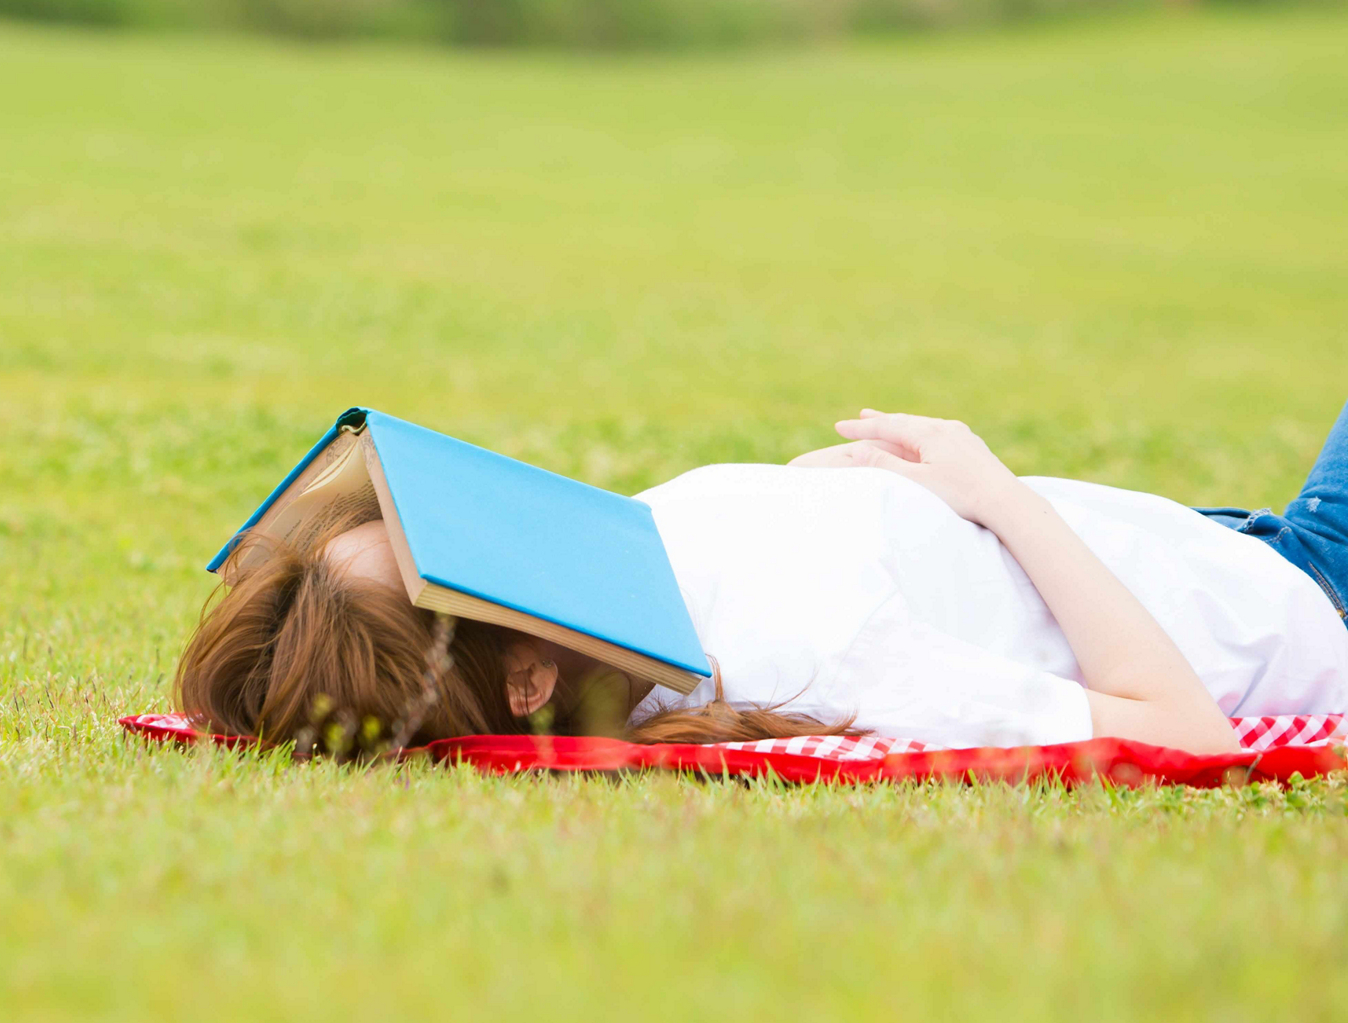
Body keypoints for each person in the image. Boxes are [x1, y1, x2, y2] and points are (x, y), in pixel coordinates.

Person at [176, 403, 1348, 758]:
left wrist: (845, 488)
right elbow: (1185, 733)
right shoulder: (820, 657)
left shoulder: (619, 588)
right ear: (526, 674)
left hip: (1214, 548)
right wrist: (992, 489)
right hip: (1302, 596)